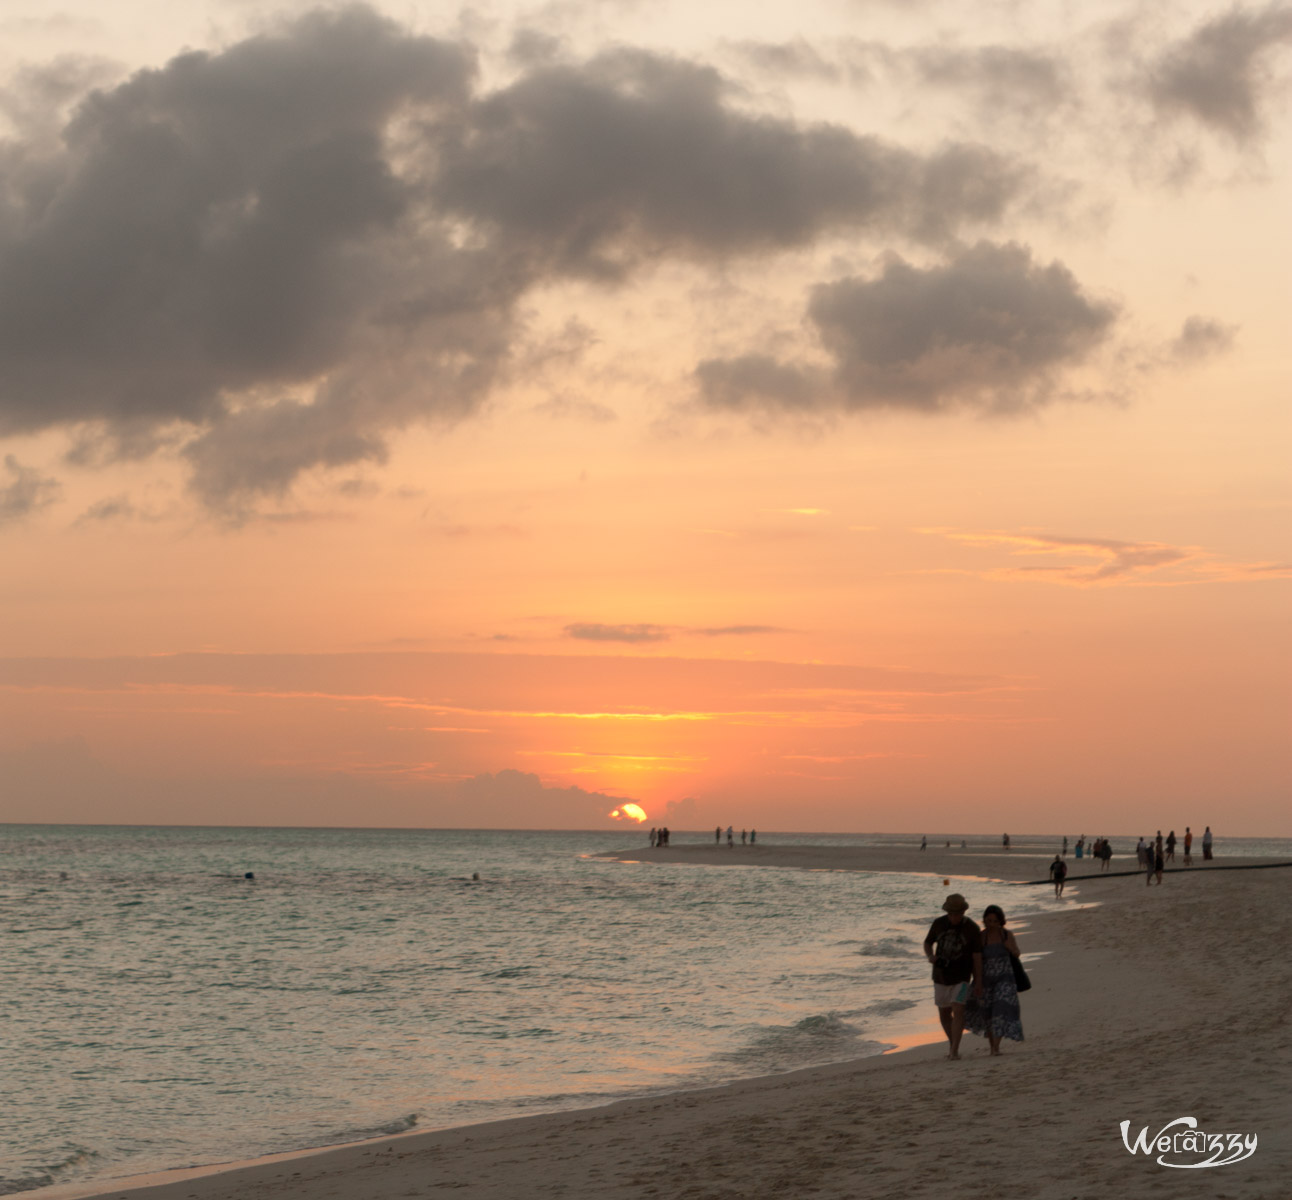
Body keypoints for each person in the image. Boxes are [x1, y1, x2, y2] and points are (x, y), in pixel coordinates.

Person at [923, 893, 983, 1061]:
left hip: (963, 976)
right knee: (944, 1013)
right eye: (952, 914)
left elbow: (977, 956)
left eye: (958, 914)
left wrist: (978, 980)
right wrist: (930, 956)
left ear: (963, 912)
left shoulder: (972, 928)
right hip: (940, 976)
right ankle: (953, 1044)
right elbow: (927, 943)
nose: (955, 917)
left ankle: (954, 1050)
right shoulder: (938, 923)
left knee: (959, 1009)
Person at [965, 904, 1024, 1055]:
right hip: (986, 980)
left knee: (1001, 1009)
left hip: (1005, 979)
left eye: (994, 921)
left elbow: (1017, 953)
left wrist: (1009, 947)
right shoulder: (981, 937)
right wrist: (977, 981)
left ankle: (996, 1047)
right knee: (988, 1014)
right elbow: (976, 960)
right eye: (988, 920)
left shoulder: (1006, 935)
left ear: (1000, 921)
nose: (991, 924)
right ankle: (993, 1047)